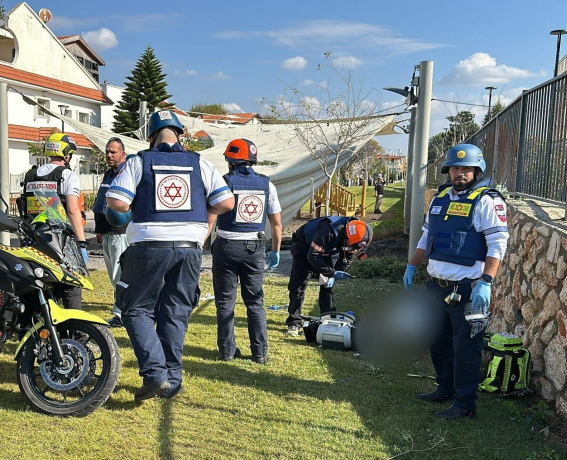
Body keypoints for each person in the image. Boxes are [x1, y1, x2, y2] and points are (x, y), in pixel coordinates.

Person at [106, 110, 234, 402]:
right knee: (175, 313)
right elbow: (226, 201)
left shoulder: (139, 161)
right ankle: (172, 381)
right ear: (181, 133)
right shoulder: (200, 163)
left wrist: (134, 208)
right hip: (189, 249)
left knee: (136, 309)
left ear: (149, 135)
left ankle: (155, 374)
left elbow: (117, 201)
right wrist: (205, 218)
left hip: (148, 247)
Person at [403, 143, 509, 419]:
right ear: (447, 171)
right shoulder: (440, 199)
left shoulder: (487, 201)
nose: (460, 173)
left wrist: (487, 280)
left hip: (468, 290)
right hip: (436, 286)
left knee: (466, 349)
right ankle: (445, 388)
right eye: (455, 168)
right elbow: (427, 237)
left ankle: (465, 404)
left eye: (466, 168)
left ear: (477, 170)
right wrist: (412, 265)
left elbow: (498, 243)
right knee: (437, 341)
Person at [211, 138, 282, 364]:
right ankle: (260, 353)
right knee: (255, 302)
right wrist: (275, 250)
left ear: (231, 160)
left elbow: (210, 216)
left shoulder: (223, 182)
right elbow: (277, 224)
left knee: (225, 302)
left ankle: (227, 352)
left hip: (226, 246)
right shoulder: (267, 184)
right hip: (255, 247)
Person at [20, 132, 88, 310]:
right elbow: (73, 210)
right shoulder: (68, 176)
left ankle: (39, 332)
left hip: (32, 240)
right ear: (67, 154)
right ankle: (77, 334)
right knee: (70, 287)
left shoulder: (30, 175)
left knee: (38, 286)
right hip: (60, 241)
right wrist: (81, 243)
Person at [286, 216, 372, 337]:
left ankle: (328, 318)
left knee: (326, 285)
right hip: (303, 245)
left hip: (322, 250)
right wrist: (331, 272)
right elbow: (313, 256)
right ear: (346, 235)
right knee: (299, 284)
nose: (352, 249)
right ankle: (294, 322)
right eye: (351, 246)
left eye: (356, 248)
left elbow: (347, 258)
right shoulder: (328, 231)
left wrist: (335, 274)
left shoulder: (357, 238)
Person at [93, 137, 129, 327]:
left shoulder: (126, 173)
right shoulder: (109, 173)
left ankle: (121, 313)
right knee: (113, 275)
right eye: (107, 151)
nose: (109, 155)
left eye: (113, 152)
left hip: (120, 232)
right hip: (107, 232)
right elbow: (101, 202)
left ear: (123, 154)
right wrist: (99, 229)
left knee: (120, 274)